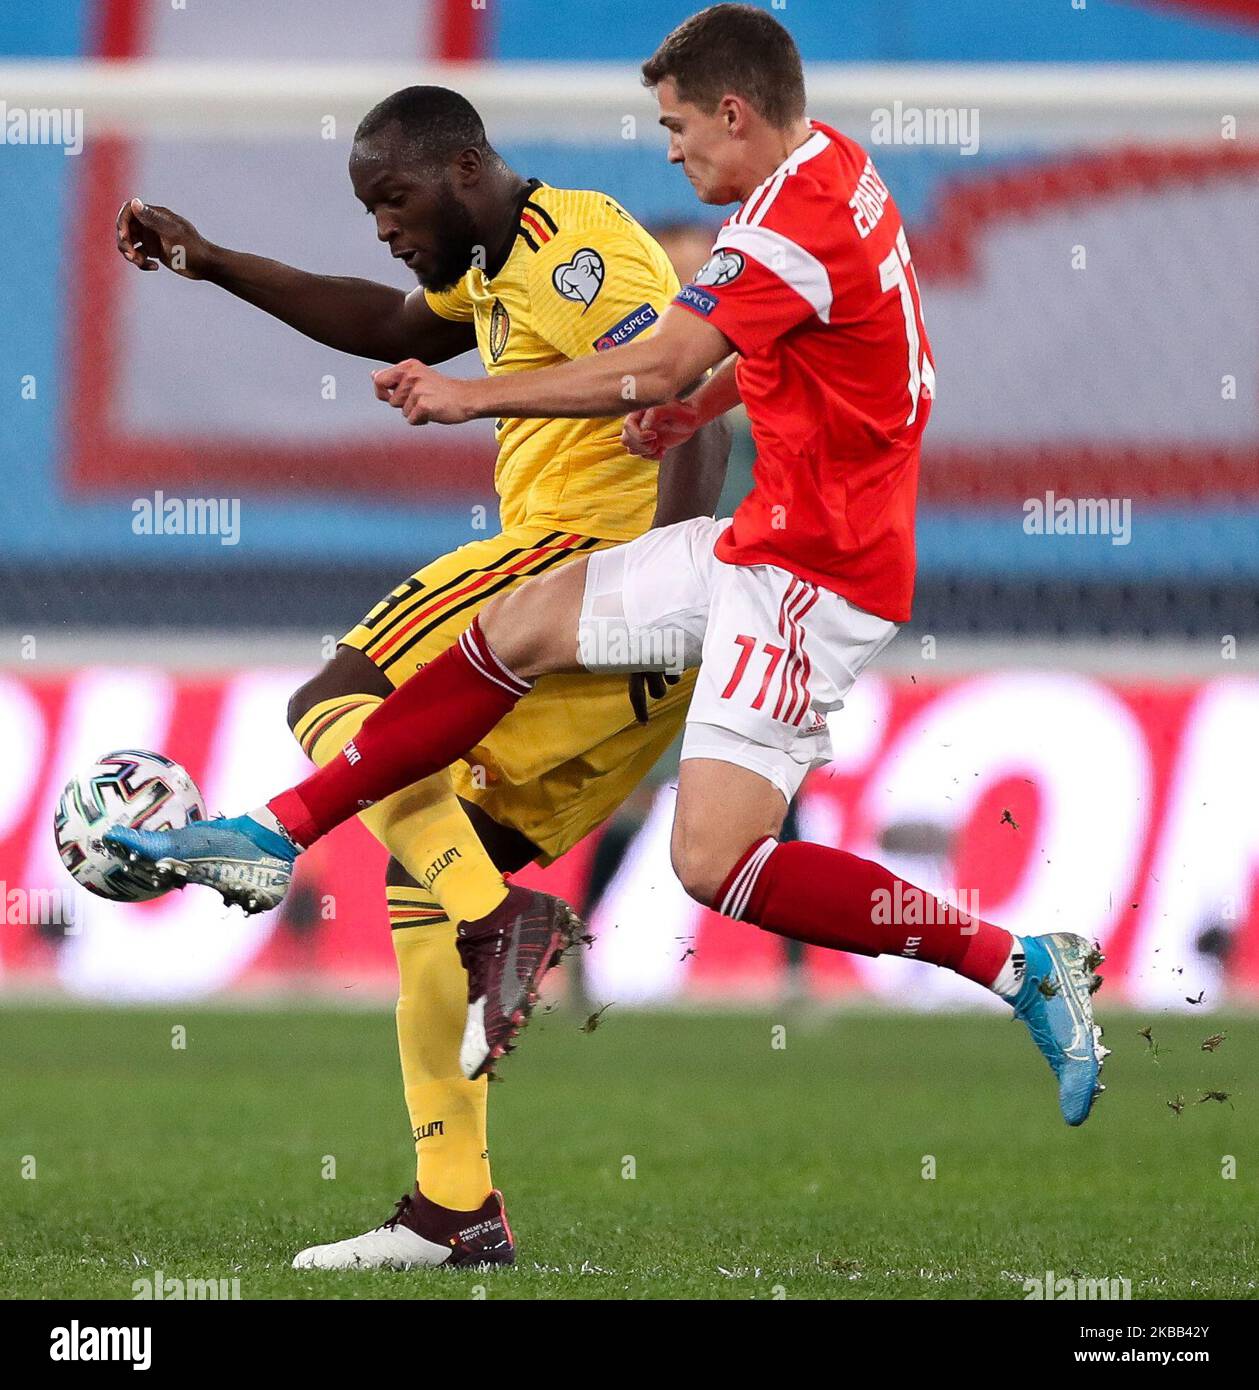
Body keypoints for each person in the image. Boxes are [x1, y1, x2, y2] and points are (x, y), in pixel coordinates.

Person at [107, 7, 1107, 1141]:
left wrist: (473, 396)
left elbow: (664, 358)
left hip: (810, 577)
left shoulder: (773, 223)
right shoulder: (833, 170)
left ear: (734, 112)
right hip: (759, 541)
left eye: (679, 127)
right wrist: (712, 398)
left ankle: (1020, 963)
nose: (669, 151)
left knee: (715, 864)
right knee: (522, 627)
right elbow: (854, 353)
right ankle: (275, 833)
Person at [113, 83, 731, 1269]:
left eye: (390, 198)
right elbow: (393, 320)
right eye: (367, 207)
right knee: (421, 893)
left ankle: (505, 924)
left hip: (581, 566)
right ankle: (456, 1208)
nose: (382, 225)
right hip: (621, 624)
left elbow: (680, 392)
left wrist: (661, 577)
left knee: (330, 701)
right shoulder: (500, 263)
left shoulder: (578, 250)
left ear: (459, 169)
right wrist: (210, 261)